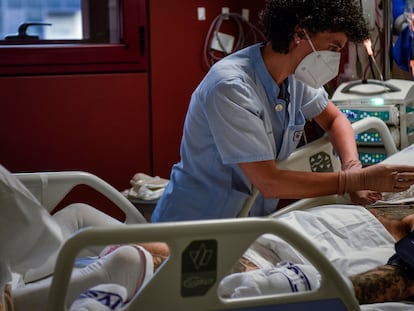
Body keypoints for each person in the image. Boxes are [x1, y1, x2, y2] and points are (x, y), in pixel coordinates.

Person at [151, 0, 414, 223]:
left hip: (246, 224)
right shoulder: (231, 87)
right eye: (334, 48)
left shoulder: (295, 77)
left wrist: (354, 167)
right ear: (299, 34)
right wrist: (354, 181)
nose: (334, 58)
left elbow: (334, 120)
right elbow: (269, 181)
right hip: (195, 224)